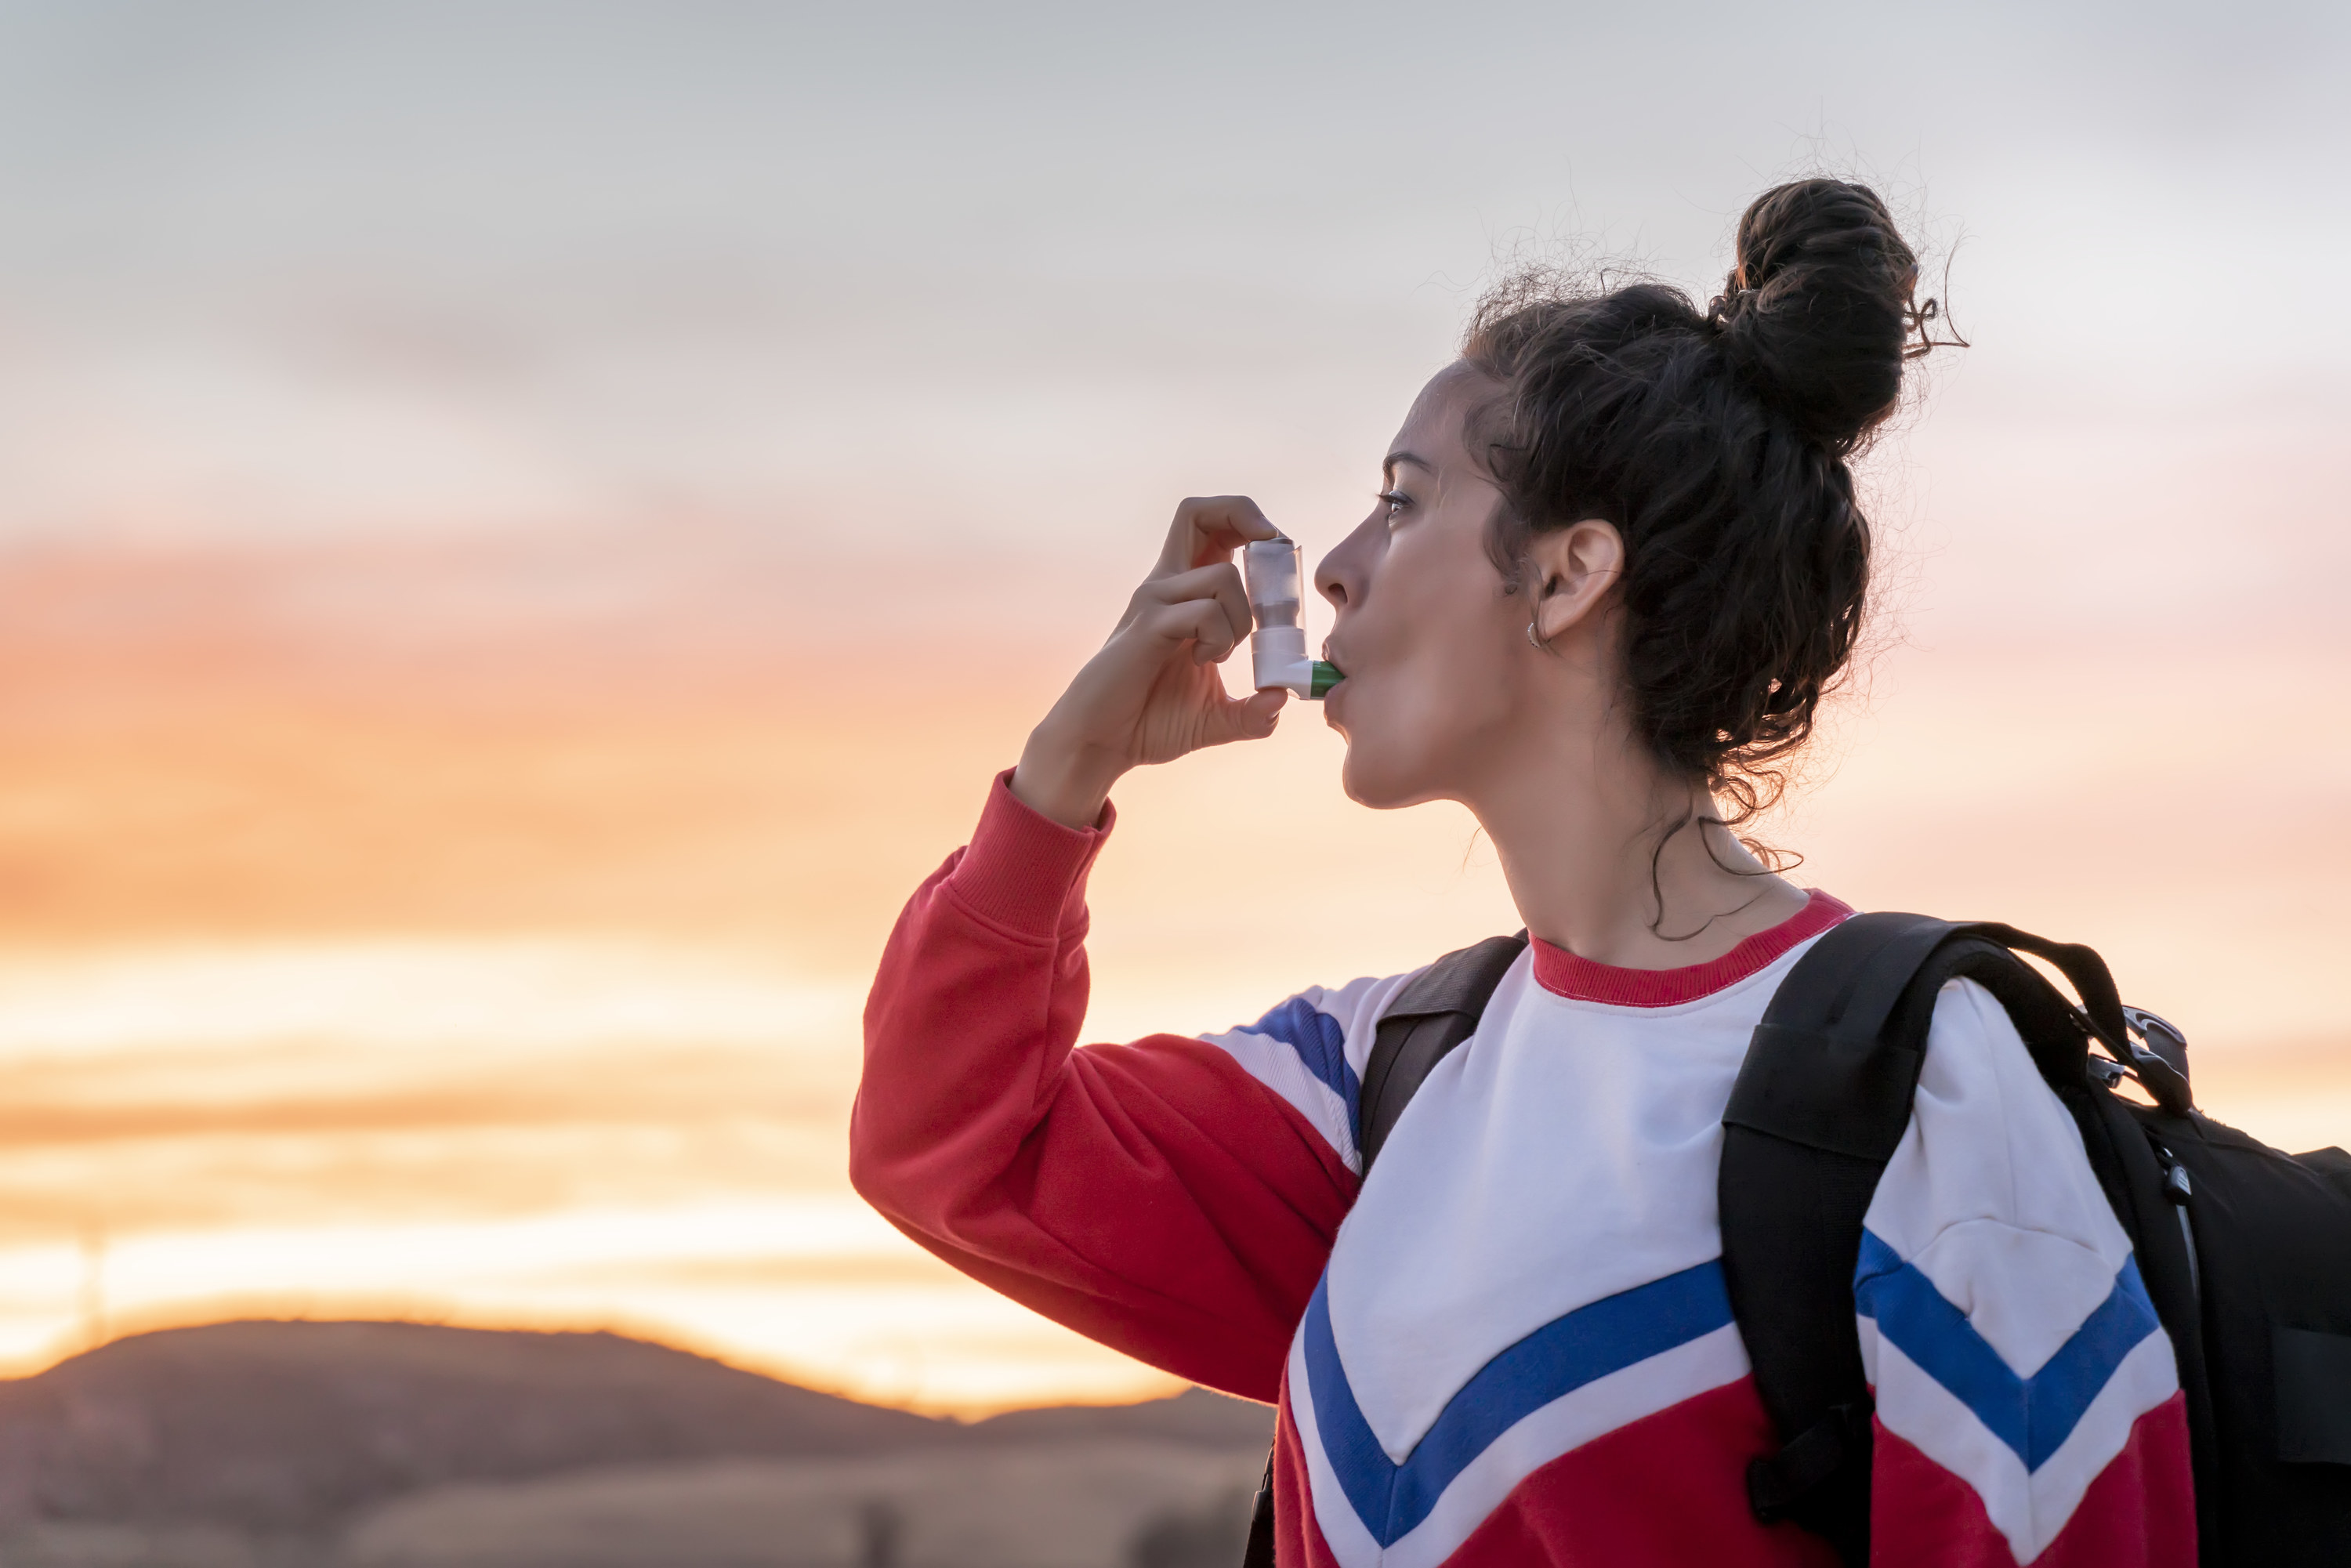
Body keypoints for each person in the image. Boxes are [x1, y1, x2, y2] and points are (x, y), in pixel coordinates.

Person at [850, 179, 2194, 1566]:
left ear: (1567, 577)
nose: (1337, 576)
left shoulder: (1926, 1099)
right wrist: (1060, 780)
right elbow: (949, 1145)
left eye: (1401, 502)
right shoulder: (1382, 1081)